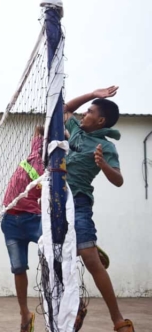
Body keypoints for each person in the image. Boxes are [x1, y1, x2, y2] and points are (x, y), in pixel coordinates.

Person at [63, 86, 135, 332]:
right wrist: (93, 93)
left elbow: (118, 180)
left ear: (100, 120)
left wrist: (103, 164)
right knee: (59, 261)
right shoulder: (75, 130)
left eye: (90, 111)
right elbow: (65, 109)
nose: (84, 113)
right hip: (57, 202)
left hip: (80, 201)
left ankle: (118, 319)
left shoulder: (107, 147)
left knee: (89, 259)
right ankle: (76, 308)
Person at [1, 125, 44, 332]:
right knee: (18, 268)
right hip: (10, 221)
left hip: (33, 219)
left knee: (56, 253)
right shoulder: (36, 153)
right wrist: (49, 128)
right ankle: (24, 313)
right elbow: (37, 130)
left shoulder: (56, 168)